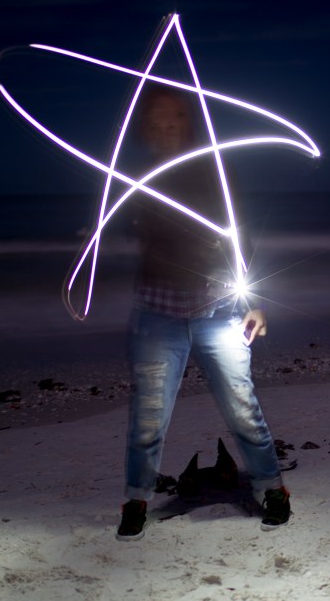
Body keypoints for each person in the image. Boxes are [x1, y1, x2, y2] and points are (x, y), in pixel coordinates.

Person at [117, 86, 290, 540]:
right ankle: (136, 499)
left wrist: (255, 299)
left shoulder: (214, 167)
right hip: (157, 310)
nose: (166, 125)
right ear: (145, 127)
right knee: (148, 417)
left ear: (187, 122)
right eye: (157, 119)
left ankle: (272, 487)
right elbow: (132, 230)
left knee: (241, 407)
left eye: (174, 116)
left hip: (217, 305)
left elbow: (237, 232)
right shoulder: (136, 177)